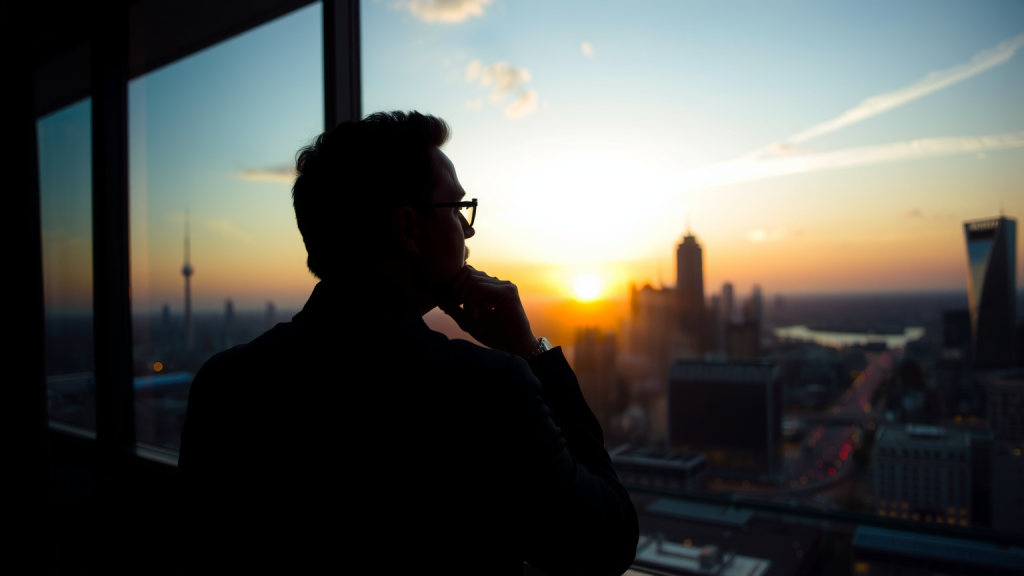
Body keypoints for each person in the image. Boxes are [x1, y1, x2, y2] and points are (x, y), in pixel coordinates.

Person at [178, 111, 638, 574]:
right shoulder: (484, 389)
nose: (469, 229)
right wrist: (529, 351)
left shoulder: (225, 382)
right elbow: (606, 544)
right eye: (457, 209)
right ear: (409, 229)